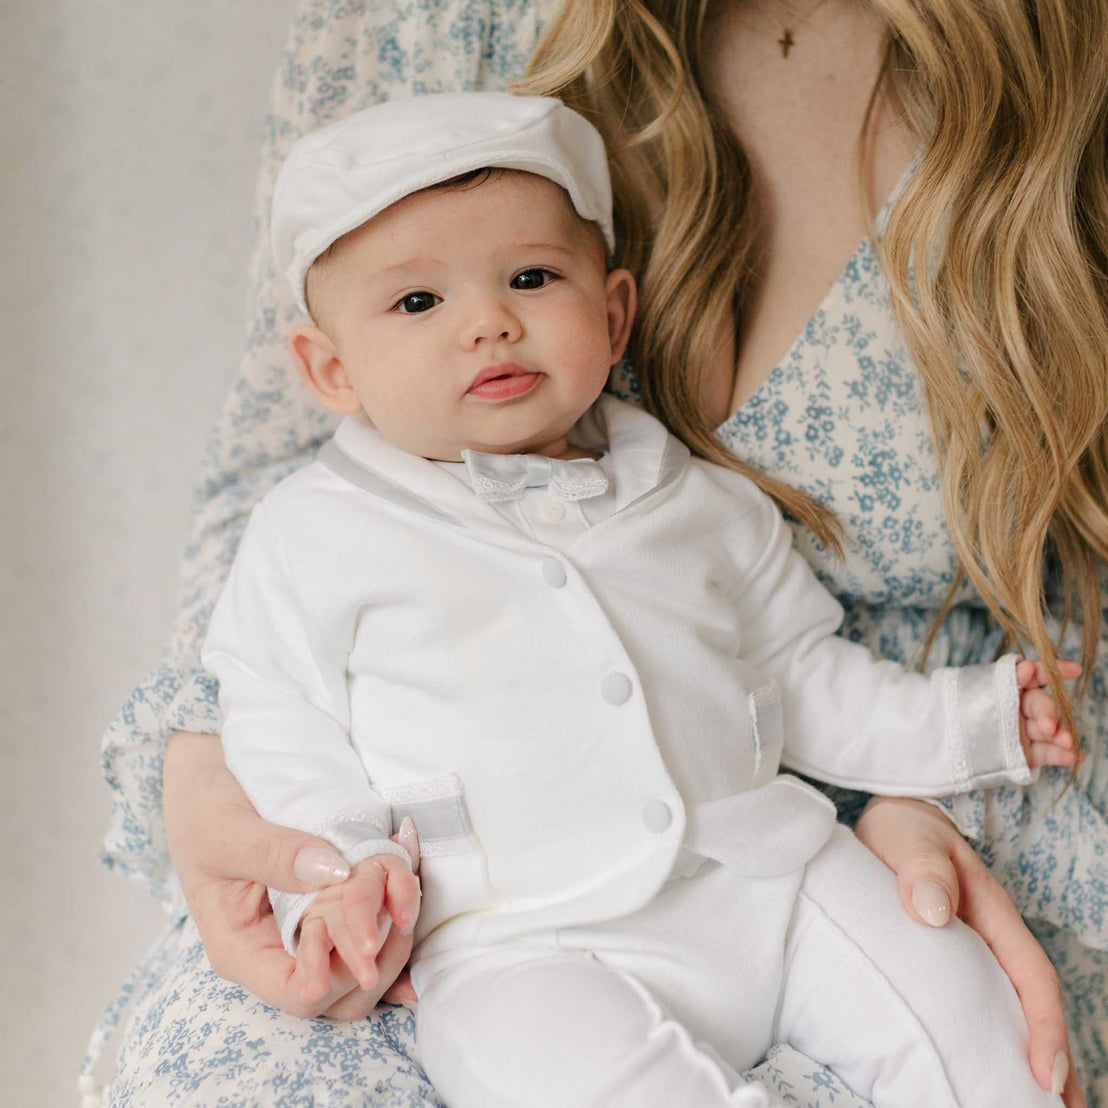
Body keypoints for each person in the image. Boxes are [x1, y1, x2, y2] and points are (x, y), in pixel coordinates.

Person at [92, 1, 1106, 1105]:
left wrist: (966, 725)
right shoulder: (310, 534)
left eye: (531, 279)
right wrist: (338, 875)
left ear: (614, 316)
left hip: (769, 870)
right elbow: (280, 721)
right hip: (517, 931)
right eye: (419, 300)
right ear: (328, 369)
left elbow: (806, 675)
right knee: (545, 1061)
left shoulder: (693, 497)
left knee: (965, 1009)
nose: (485, 321)